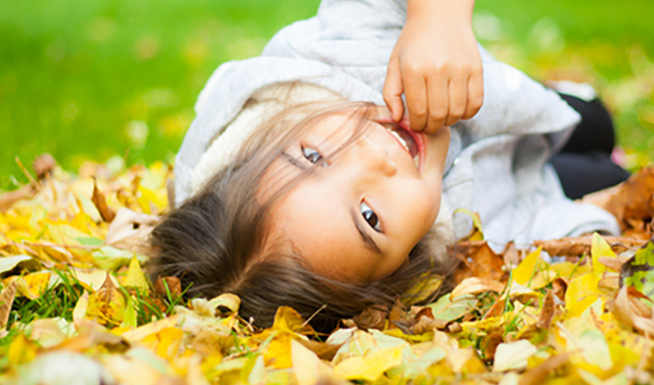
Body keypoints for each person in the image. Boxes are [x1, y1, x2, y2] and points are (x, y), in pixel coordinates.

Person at [147, 0, 628, 332]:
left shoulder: (346, 44)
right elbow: (532, 232)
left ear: (273, 135)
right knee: (606, 181)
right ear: (393, 276)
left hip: (510, 105)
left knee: (593, 123)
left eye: (314, 156)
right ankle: (587, 165)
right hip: (514, 177)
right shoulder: (452, 239)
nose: (377, 154)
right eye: (369, 217)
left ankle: (573, 119)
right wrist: (597, 235)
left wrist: (436, 20)